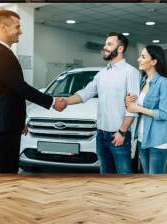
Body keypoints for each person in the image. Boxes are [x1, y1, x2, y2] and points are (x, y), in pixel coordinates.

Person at [0, 10, 67, 173]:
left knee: (7, 164)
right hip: (5, 123)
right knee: (5, 167)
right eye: (17, 27)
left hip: (8, 121)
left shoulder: (1, 52)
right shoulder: (0, 54)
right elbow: (21, 87)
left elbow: (10, 92)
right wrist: (52, 102)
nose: (21, 31)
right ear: (3, 28)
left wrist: (19, 120)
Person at [61, 32, 140, 174]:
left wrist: (122, 132)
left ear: (120, 48)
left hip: (118, 134)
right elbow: (86, 93)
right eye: (105, 44)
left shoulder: (131, 72)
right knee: (105, 175)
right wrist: (65, 101)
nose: (105, 47)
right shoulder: (102, 73)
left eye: (109, 44)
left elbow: (133, 108)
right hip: (101, 135)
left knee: (124, 175)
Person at [126, 45, 167, 174]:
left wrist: (139, 108)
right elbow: (134, 107)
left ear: (154, 61)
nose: (138, 59)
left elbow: (165, 114)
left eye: (143, 56)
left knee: (155, 182)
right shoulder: (142, 81)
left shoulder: (163, 82)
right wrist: (129, 102)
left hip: (157, 141)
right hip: (142, 139)